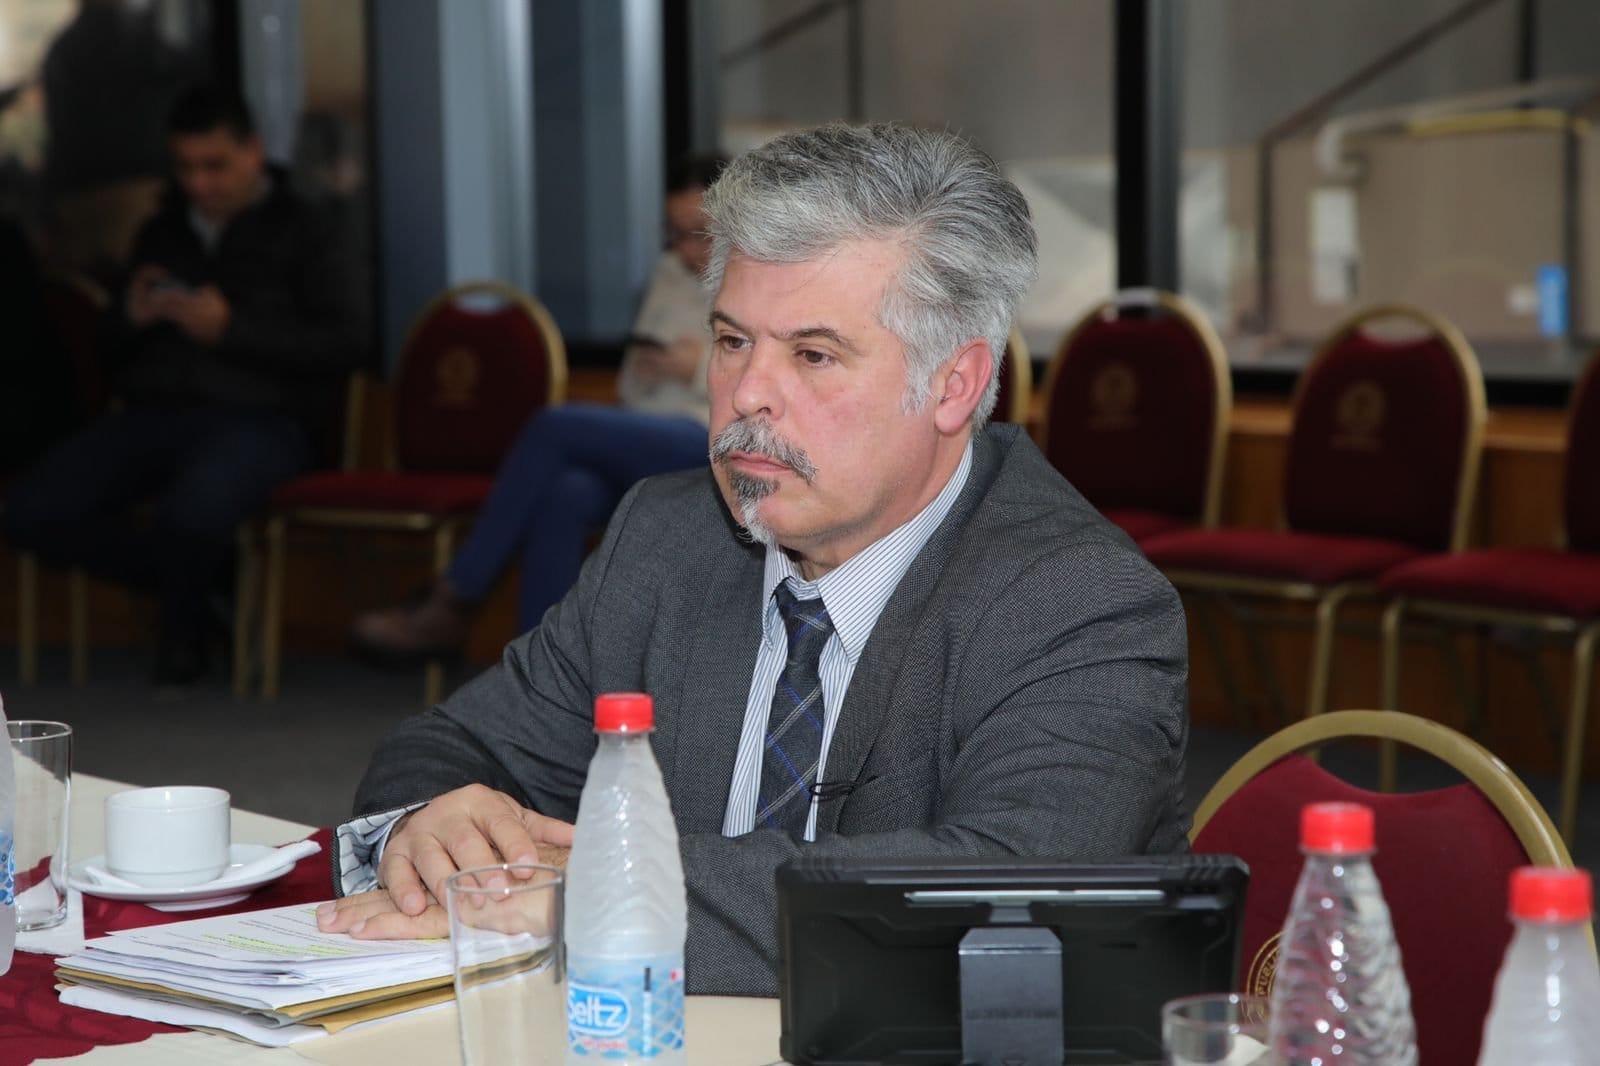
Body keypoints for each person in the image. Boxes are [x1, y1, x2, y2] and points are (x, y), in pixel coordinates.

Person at [318, 124, 1189, 996]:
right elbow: (456, 742)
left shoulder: (1083, 600)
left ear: (954, 385)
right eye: (734, 342)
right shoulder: (667, 536)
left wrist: (601, 900)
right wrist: (430, 826)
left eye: (813, 355)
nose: (748, 394)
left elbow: (999, 894)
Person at [1, 85, 364, 684]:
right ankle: (199, 580)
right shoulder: (163, 228)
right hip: (154, 411)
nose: (200, 183)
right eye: (186, 167)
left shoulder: (311, 226)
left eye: (214, 165)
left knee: (194, 511)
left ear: (252, 151)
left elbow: (347, 343)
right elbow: (107, 350)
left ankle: (185, 629)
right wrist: (130, 318)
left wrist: (232, 329)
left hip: (265, 417)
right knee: (30, 512)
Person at [350, 154, 729, 657]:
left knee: (554, 426)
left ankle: (457, 594)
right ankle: (537, 669)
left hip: (714, 437)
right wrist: (647, 369)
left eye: (699, 233)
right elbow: (630, 383)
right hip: (650, 430)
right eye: (675, 233)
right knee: (566, 491)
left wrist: (699, 363)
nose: (687, 250)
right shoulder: (668, 271)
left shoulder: (758, 272)